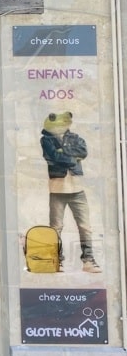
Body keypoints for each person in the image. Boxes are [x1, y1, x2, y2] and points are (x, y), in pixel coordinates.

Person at [40, 111, 101, 273]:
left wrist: (63, 152)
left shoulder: (75, 137)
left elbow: (83, 151)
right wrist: (72, 158)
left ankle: (88, 260)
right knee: (56, 227)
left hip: (77, 189)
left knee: (85, 226)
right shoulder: (46, 140)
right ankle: (56, 260)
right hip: (57, 189)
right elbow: (53, 157)